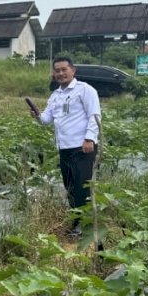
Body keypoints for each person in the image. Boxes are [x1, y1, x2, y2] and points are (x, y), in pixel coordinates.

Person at [28, 57, 101, 236]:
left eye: (64, 70)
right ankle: (77, 221)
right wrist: (37, 115)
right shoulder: (55, 96)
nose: (60, 74)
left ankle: (83, 225)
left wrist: (90, 139)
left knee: (81, 186)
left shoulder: (84, 90)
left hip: (82, 147)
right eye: (57, 71)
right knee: (69, 186)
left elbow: (94, 115)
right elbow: (46, 120)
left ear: (73, 70)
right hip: (65, 148)